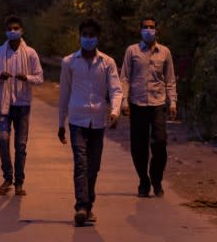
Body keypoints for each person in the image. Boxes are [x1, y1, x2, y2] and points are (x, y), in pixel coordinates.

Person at [58, 18, 123, 227]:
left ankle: (89, 204)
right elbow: (64, 93)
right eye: (84, 34)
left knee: (93, 166)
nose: (88, 38)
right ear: (79, 36)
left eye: (91, 35)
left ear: (98, 37)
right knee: (81, 163)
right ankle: (81, 207)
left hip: (97, 121)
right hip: (76, 120)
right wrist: (61, 122)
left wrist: (114, 111)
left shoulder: (107, 62)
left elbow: (116, 89)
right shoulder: (69, 62)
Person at [120, 17, 178, 198]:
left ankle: (156, 178)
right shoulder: (132, 51)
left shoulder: (165, 52)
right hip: (137, 104)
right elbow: (125, 77)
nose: (148, 30)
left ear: (157, 29)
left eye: (151, 27)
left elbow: (170, 79)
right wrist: (123, 100)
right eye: (145, 27)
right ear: (140, 30)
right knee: (139, 146)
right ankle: (143, 180)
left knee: (160, 142)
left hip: (158, 103)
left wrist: (173, 101)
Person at [0, 15, 44, 196]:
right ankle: (7, 177)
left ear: (22, 30)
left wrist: (26, 78)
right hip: (4, 105)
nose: (13, 31)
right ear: (5, 31)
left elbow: (40, 78)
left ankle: (19, 182)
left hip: (22, 105)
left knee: (20, 145)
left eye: (16, 28)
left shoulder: (30, 53)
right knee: (3, 140)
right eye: (10, 28)